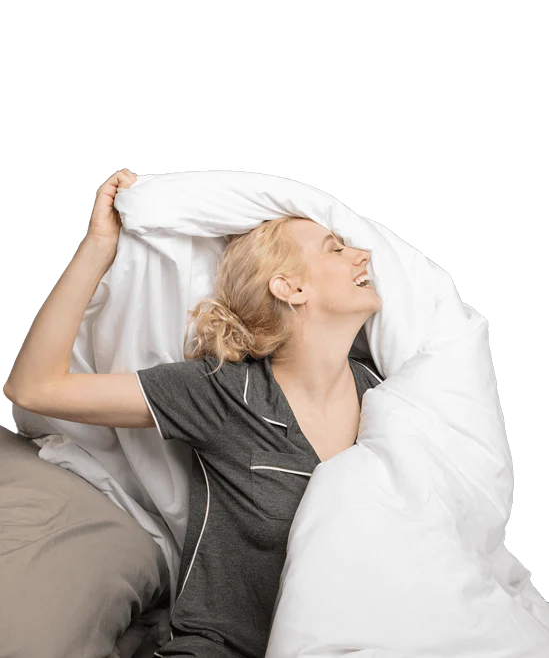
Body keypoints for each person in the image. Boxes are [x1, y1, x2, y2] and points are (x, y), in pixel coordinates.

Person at [3, 169, 384, 658]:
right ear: (290, 288)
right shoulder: (224, 391)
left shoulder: (385, 399)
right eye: (335, 248)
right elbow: (34, 387)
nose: (363, 255)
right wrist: (99, 245)